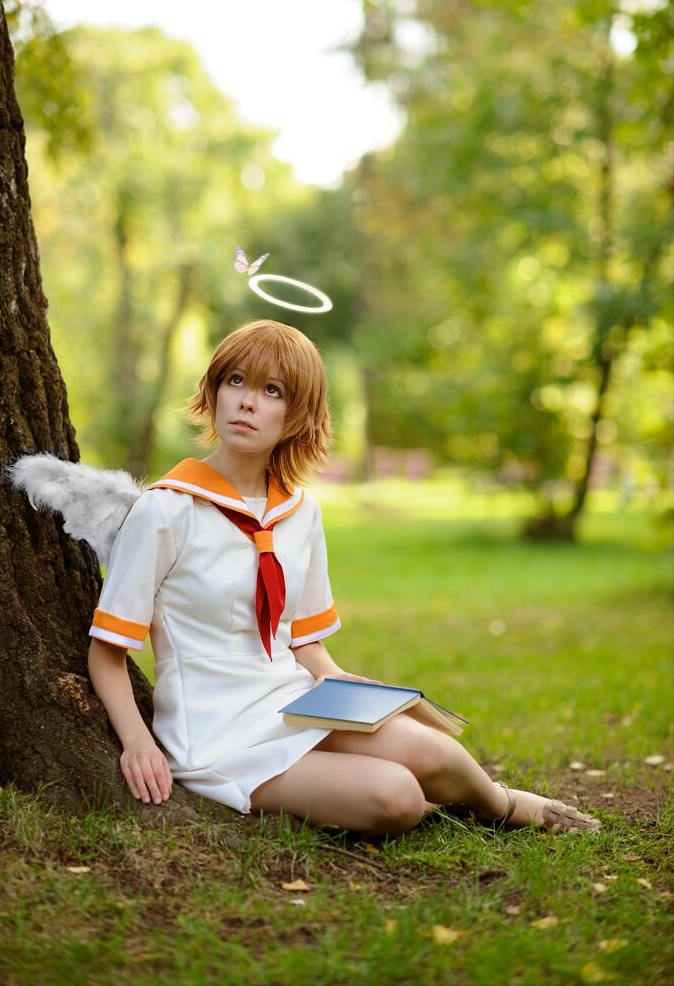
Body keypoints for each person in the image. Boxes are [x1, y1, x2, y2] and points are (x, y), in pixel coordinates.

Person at [88, 320, 600, 835]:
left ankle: (500, 804)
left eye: (272, 391)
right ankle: (421, 798)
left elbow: (302, 639)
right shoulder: (165, 509)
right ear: (215, 390)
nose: (247, 402)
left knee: (430, 750)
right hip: (216, 733)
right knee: (397, 796)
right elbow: (108, 651)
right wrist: (137, 741)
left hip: (291, 701)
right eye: (236, 381)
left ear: (297, 415)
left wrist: (332, 676)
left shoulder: (299, 512)